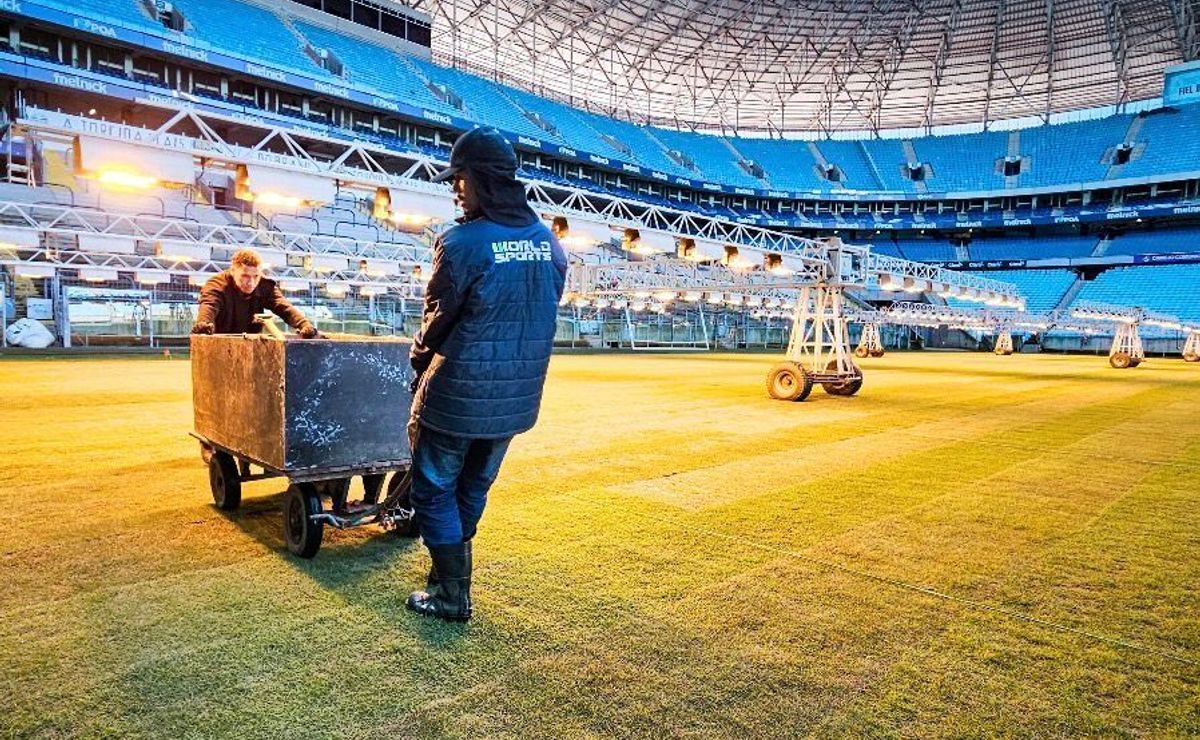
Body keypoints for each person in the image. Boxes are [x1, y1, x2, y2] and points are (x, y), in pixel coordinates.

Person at [406, 126, 567, 622]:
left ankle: (452, 596)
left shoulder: (460, 242)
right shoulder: (550, 243)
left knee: (433, 488)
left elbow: (439, 317)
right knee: (472, 489)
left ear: (477, 179)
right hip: (516, 399)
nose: (455, 189)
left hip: (459, 393)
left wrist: (418, 356)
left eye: (459, 179)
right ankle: (446, 579)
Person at [191, 248, 318, 337]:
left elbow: (283, 306)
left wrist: (304, 325)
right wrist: (204, 323)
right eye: (245, 276)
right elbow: (209, 305)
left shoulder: (264, 286)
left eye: (256, 276)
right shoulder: (216, 285)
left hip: (251, 346)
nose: (251, 282)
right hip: (219, 345)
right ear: (233, 271)